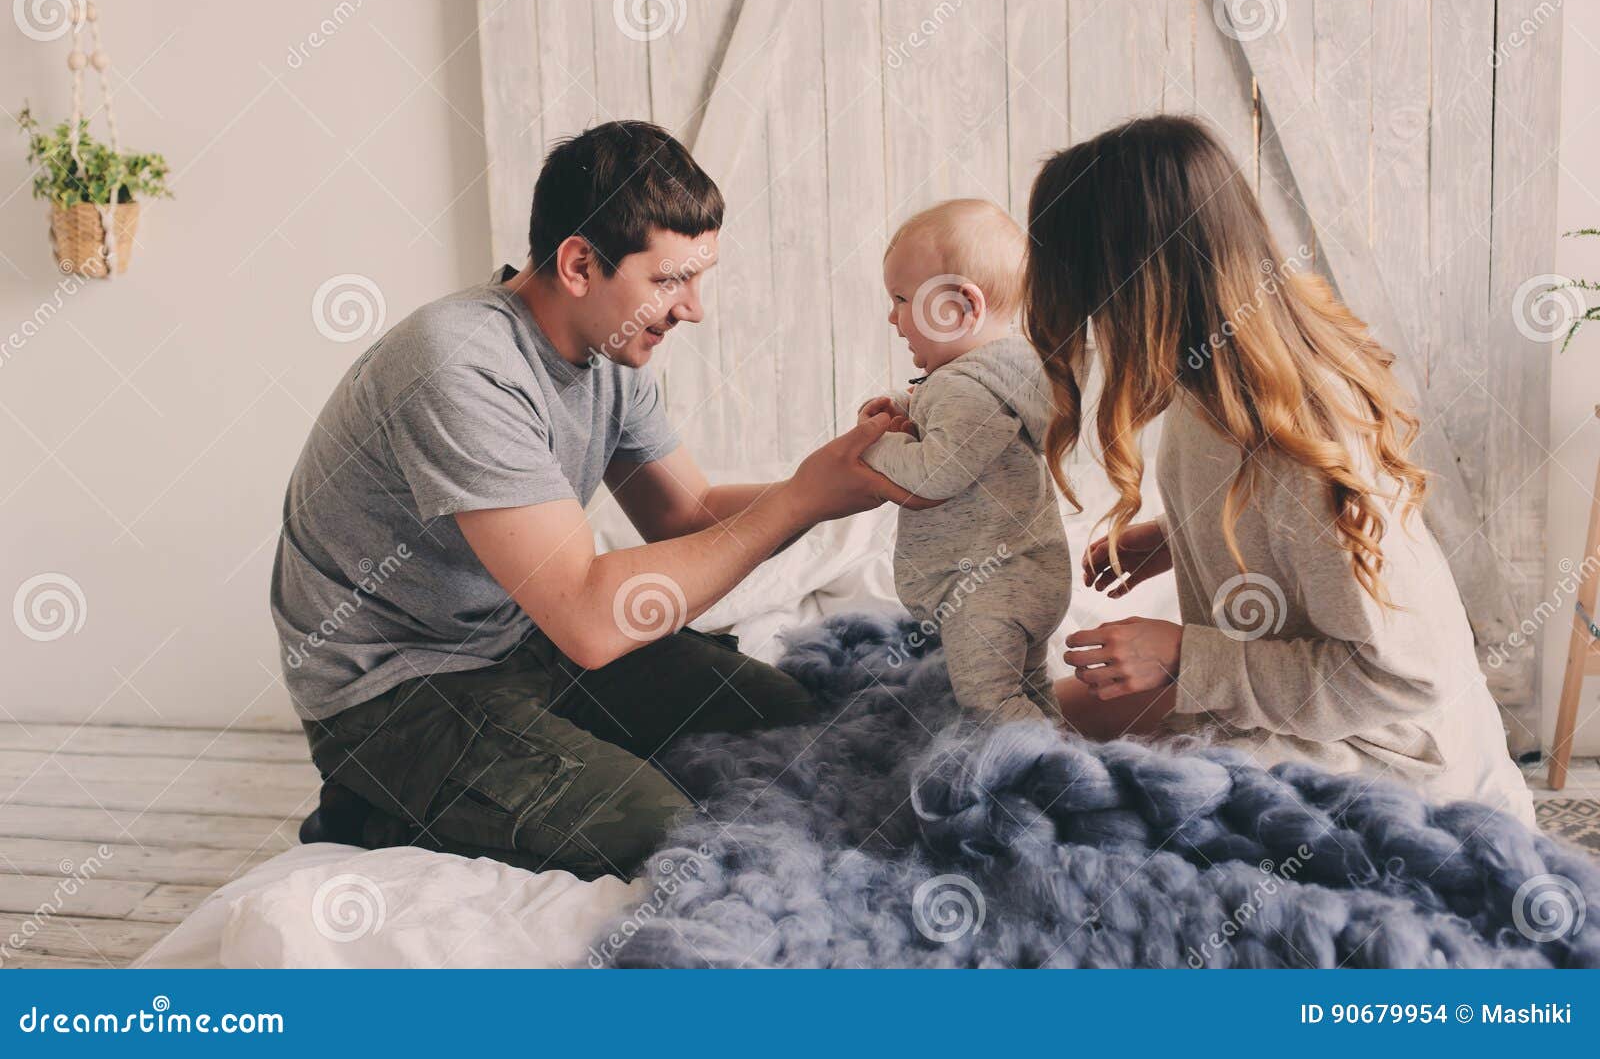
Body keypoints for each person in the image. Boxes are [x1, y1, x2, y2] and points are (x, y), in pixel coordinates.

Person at [271, 120, 930, 880]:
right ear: (580, 264)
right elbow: (589, 619)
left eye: (697, 279)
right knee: (667, 834)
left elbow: (684, 513)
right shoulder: (458, 366)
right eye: (669, 280)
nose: (693, 310)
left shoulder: (609, 354)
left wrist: (848, 482)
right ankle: (370, 803)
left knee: (793, 724)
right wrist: (801, 500)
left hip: (527, 641)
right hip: (401, 692)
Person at [1024, 114, 1535, 824]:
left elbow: (1395, 678)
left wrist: (1181, 656)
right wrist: (1179, 536)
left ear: (1138, 284)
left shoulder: (1299, 436)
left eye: (1092, 301)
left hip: (1386, 758)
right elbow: (1278, 533)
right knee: (1032, 727)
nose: (1093, 329)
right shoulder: (1215, 384)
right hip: (1293, 711)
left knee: (1076, 803)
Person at [857, 199, 1071, 725]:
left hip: (990, 587)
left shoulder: (968, 389)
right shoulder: (998, 377)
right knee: (1028, 685)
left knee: (988, 700)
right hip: (1026, 574)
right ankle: (1063, 750)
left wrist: (875, 445)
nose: (892, 316)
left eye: (901, 299)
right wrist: (904, 409)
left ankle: (1043, 773)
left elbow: (937, 472)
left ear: (957, 308)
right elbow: (957, 431)